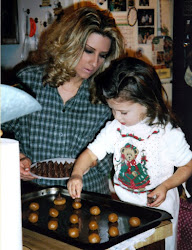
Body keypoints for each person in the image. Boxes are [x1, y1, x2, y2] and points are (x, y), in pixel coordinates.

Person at [67, 57, 192, 250]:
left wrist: (166, 186)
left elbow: (187, 165)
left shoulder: (166, 132)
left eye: (123, 112)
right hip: (126, 207)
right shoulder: (115, 128)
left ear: (147, 102)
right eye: (113, 110)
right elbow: (91, 154)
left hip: (161, 210)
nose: (117, 117)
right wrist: (77, 173)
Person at [2, 4, 125, 195]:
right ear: (70, 43)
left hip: (88, 196)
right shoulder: (28, 81)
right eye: (88, 50)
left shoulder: (106, 95)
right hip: (34, 195)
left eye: (102, 55)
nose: (94, 63)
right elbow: (4, 132)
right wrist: (14, 159)